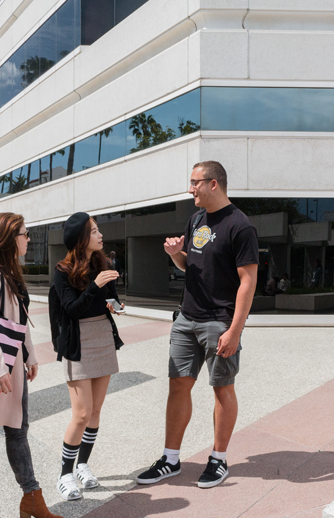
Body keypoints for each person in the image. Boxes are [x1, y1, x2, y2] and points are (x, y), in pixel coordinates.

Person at [136, 160, 258, 489]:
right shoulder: (196, 219)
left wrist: (235, 330)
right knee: (178, 386)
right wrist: (175, 253)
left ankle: (218, 460)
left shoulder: (240, 226)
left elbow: (248, 283)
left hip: (219, 321)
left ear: (214, 184)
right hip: (187, 317)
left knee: (222, 389)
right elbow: (189, 264)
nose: (190, 189)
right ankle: (170, 460)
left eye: (195, 182)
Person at [0, 212, 60, 518]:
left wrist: (29, 354)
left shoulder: (8, 273)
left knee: (18, 431)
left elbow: (16, 321)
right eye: (24, 234)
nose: (28, 239)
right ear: (8, 238)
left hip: (11, 366)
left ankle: (32, 498)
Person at [52, 213, 122, 501]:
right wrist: (95, 285)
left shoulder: (102, 264)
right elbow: (73, 309)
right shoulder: (62, 270)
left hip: (102, 337)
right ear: (81, 238)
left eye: (98, 230)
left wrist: (115, 305)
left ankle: (83, 465)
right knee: (81, 414)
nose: (100, 234)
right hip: (78, 342)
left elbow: (108, 301)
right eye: (94, 231)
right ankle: (65, 474)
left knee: (95, 412)